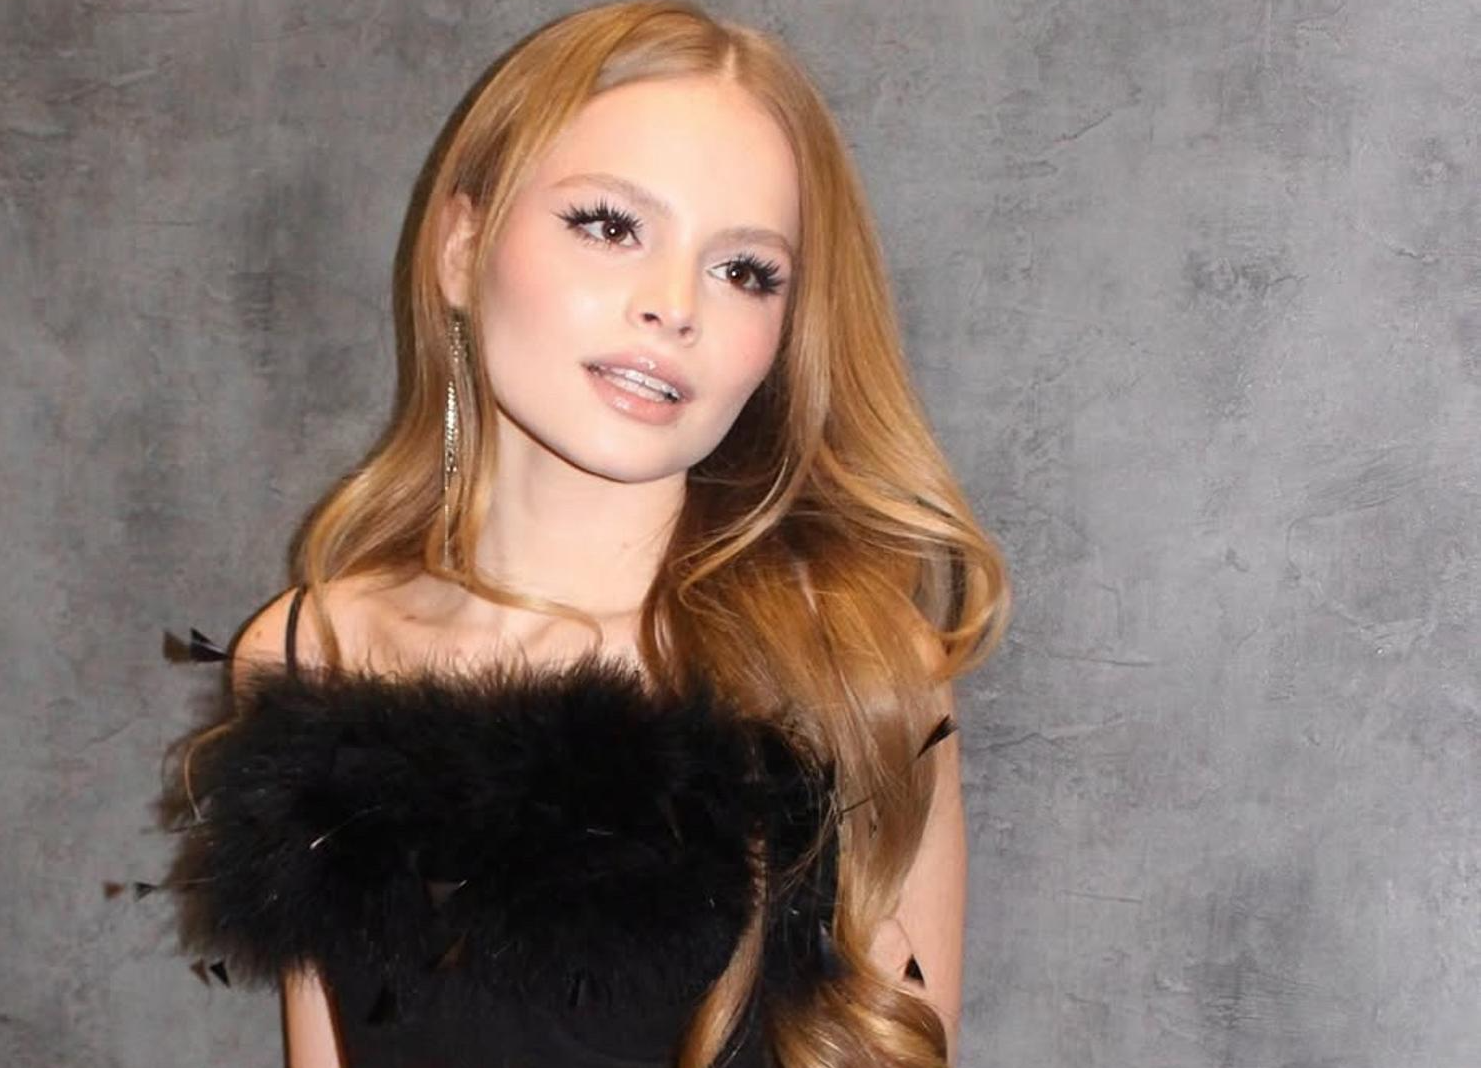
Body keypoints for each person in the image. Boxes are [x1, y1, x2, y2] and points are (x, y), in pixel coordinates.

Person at [150, 3, 1010, 1066]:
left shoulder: (853, 671)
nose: (673, 306)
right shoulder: (311, 655)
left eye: (744, 271)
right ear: (462, 248)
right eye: (609, 226)